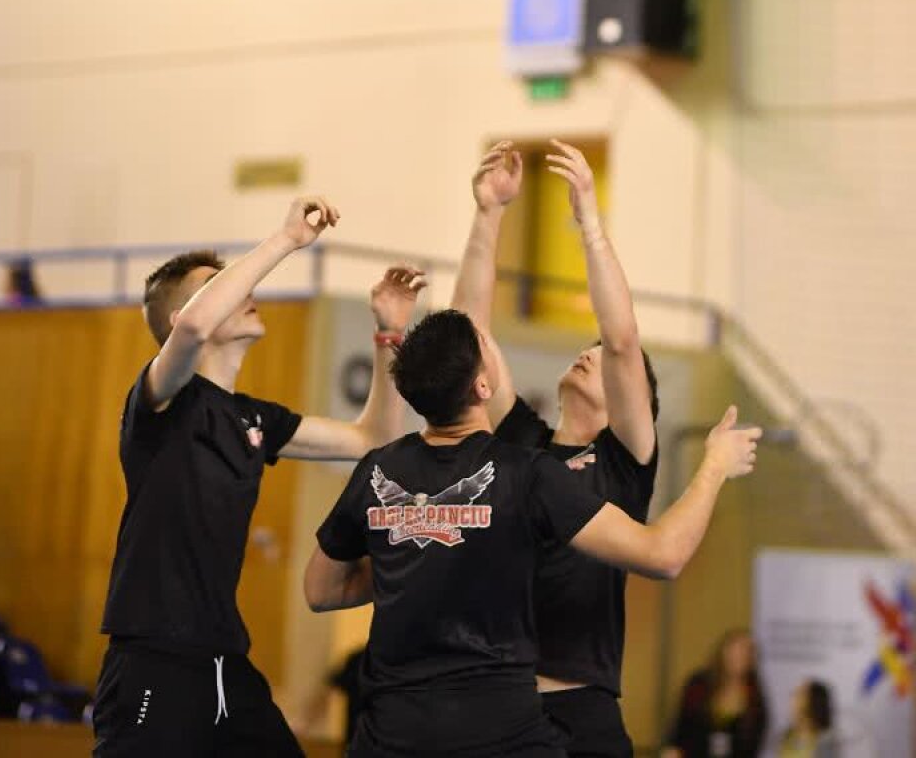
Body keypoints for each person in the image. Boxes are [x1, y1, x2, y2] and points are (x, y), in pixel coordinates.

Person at [305, 307, 762, 758]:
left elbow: (320, 590)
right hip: (495, 730)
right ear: (484, 384)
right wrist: (715, 466)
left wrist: (408, 546)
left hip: (391, 732)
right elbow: (663, 554)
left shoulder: (377, 470)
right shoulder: (525, 476)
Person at [91, 195, 426, 756]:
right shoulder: (159, 402)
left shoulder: (253, 419)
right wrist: (287, 240)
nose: (246, 292)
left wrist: (388, 336)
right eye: (220, 286)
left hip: (226, 667)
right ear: (180, 319)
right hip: (154, 658)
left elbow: (373, 441)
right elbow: (197, 323)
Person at [450, 138, 655, 758]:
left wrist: (588, 218)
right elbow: (467, 340)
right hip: (504, 707)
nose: (592, 351)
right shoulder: (523, 447)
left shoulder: (625, 460)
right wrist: (488, 216)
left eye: (614, 363)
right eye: (585, 347)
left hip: (584, 708)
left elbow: (621, 338)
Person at [660, 628, 768, 758]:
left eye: (747, 651)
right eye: (737, 651)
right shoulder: (700, 684)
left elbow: (756, 737)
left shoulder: (754, 693)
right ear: (724, 652)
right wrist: (672, 749)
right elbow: (680, 723)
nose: (741, 656)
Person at [777, 680, 839, 757]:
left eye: (800, 695)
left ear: (814, 702)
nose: (793, 699)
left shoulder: (825, 740)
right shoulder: (787, 736)